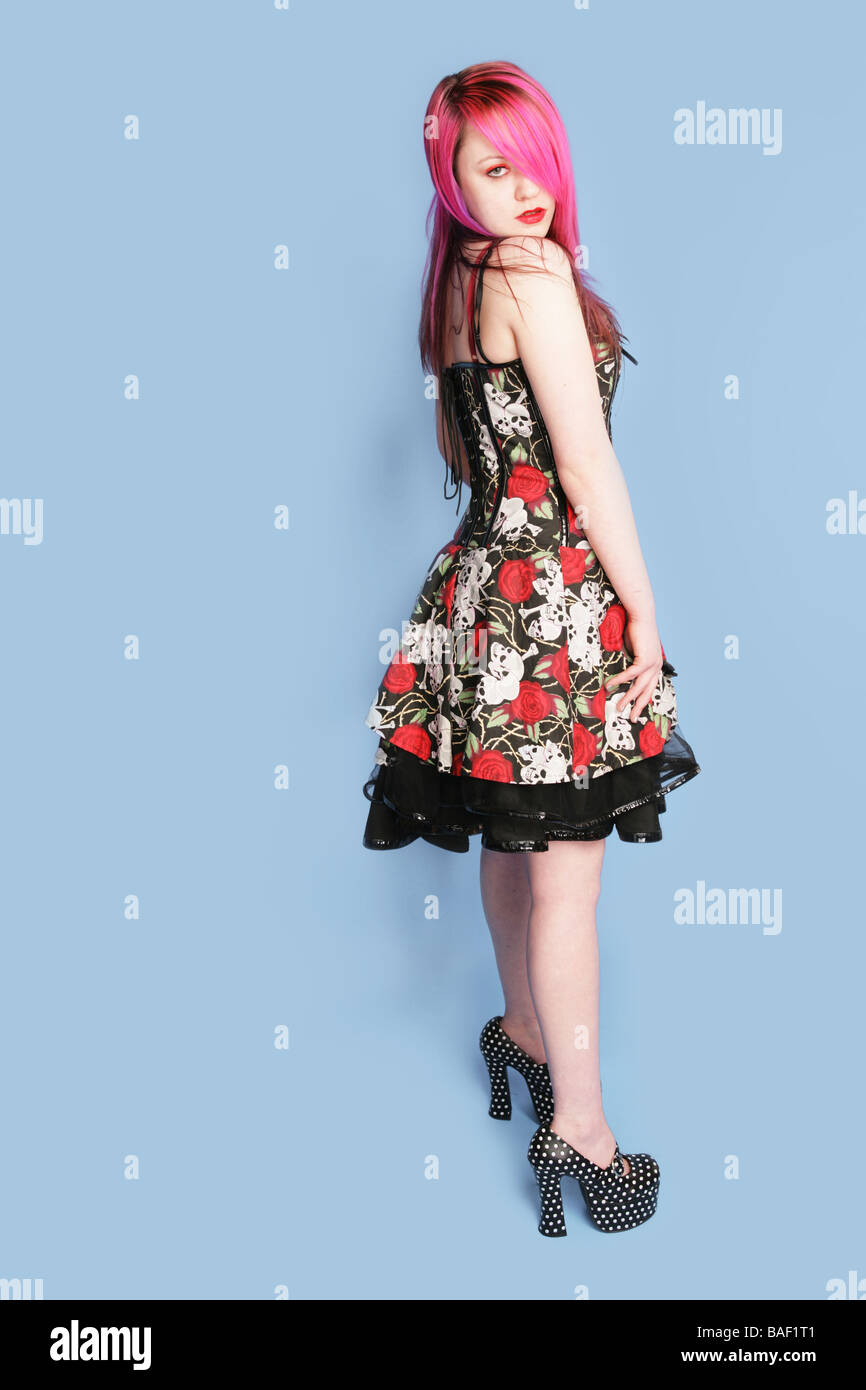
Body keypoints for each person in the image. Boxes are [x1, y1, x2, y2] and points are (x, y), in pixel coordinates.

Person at [361, 61, 701, 1237]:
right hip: (547, 600)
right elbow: (587, 465)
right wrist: (645, 614)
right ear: (450, 179)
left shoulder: (453, 278)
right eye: (489, 169)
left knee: (513, 842)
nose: (522, 191)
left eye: (529, 161)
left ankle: (517, 1030)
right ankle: (586, 1132)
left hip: (477, 588)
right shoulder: (525, 269)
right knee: (570, 871)